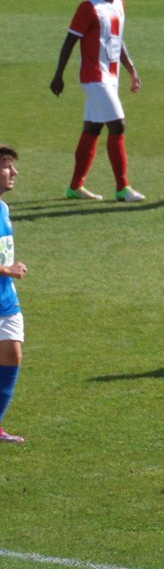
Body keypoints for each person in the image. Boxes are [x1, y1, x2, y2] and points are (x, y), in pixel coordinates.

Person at [51, 0, 145, 202]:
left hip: (111, 77)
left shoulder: (119, 4)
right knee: (118, 125)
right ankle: (122, 188)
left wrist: (131, 69)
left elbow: (118, 40)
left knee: (93, 128)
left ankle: (75, 187)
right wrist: (59, 75)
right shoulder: (89, 7)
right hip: (94, 76)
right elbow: (70, 41)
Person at [0, 147, 27, 444]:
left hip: (6, 301)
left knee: (12, 355)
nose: (14, 172)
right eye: (6, 166)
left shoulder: (3, 209)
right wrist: (6, 269)